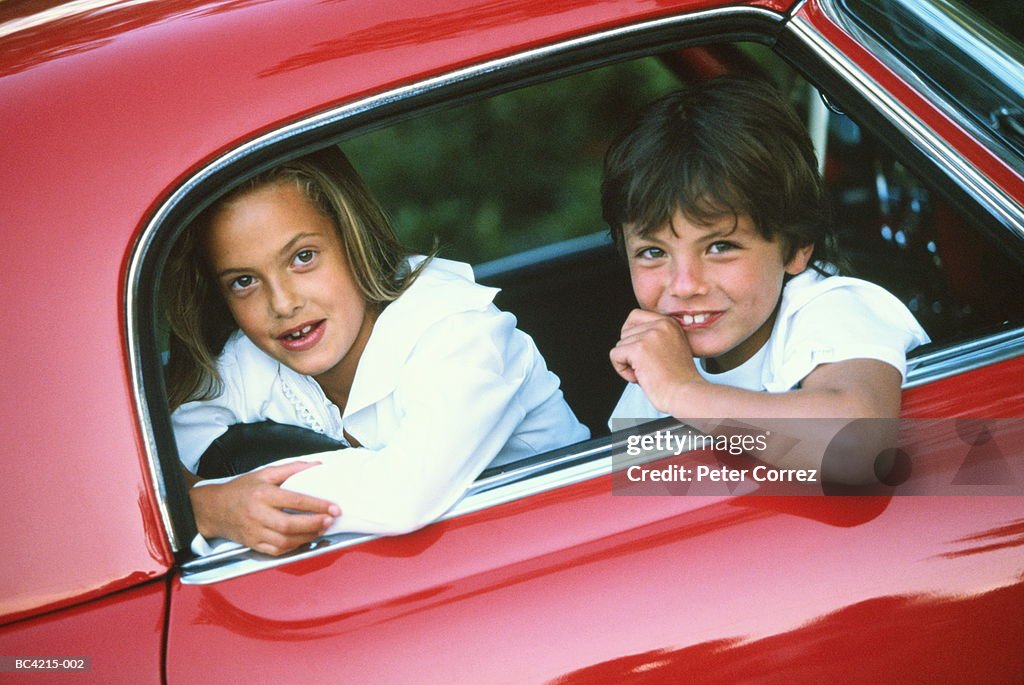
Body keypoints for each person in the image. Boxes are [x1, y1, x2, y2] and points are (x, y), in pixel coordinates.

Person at [165, 147, 589, 555]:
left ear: (354, 241)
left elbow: (403, 495)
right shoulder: (250, 360)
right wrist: (203, 505)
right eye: (244, 281)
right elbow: (160, 468)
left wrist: (223, 505)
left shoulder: (462, 332)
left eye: (303, 257)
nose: (281, 303)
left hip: (578, 553)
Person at [602, 76, 929, 482]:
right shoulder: (662, 358)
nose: (684, 284)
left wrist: (682, 392)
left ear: (797, 247)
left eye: (720, 246)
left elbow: (857, 449)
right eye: (653, 252)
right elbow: (640, 489)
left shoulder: (833, 308)